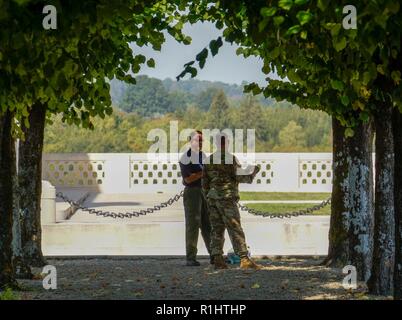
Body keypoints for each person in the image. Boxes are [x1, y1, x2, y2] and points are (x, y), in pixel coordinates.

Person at [202, 133, 262, 270]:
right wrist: (254, 171)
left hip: (212, 198)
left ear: (216, 143)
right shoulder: (230, 159)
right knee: (235, 228)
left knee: (216, 229)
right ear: (227, 143)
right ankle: (244, 259)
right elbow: (240, 177)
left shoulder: (208, 160)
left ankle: (217, 258)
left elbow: (204, 183)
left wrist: (209, 196)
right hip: (227, 198)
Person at [179, 130, 212, 266]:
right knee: (193, 225)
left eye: (201, 141)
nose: (200, 143)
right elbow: (188, 178)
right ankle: (191, 257)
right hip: (192, 192)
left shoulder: (202, 156)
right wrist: (203, 172)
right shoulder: (185, 157)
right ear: (190, 141)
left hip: (204, 192)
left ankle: (215, 255)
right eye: (197, 140)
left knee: (208, 225)